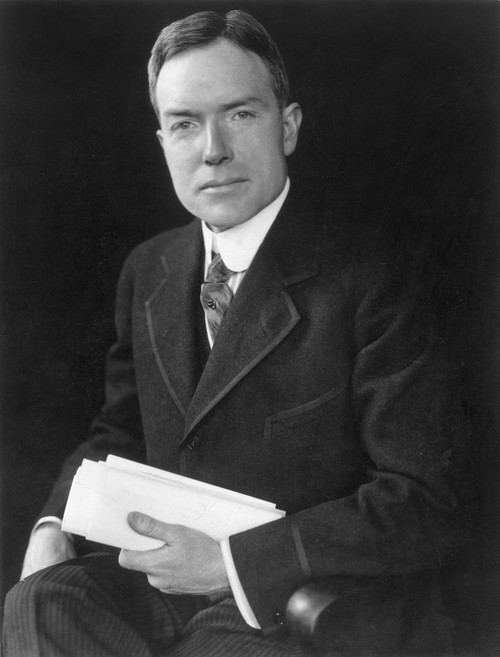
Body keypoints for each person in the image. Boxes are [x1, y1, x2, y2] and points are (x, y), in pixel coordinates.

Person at [3, 9, 472, 657]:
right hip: (166, 578)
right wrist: (54, 523)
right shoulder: (151, 269)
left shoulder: (372, 274)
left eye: (240, 114)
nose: (212, 148)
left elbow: (426, 497)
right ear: (163, 140)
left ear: (288, 128)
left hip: (296, 598)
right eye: (185, 123)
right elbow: (122, 430)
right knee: (39, 598)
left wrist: (234, 562)